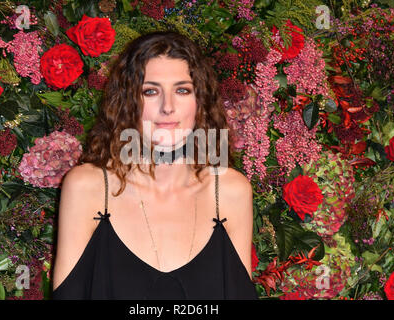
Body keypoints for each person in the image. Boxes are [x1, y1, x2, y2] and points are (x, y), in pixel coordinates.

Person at [51, 30, 258, 299]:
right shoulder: (88, 187)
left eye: (182, 90)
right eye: (150, 91)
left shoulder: (231, 191)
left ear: (201, 102)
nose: (167, 107)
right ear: (128, 101)